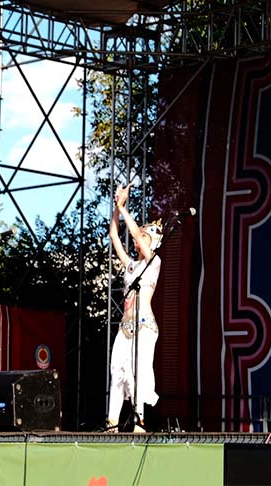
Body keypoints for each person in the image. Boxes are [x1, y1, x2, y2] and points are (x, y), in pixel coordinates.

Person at [107, 183, 163, 432]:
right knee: (117, 371)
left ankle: (139, 420)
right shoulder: (131, 266)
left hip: (144, 326)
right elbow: (114, 236)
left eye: (145, 237)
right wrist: (116, 208)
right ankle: (111, 423)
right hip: (125, 327)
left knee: (138, 371)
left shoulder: (154, 262)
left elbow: (138, 240)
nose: (139, 240)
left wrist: (123, 207)